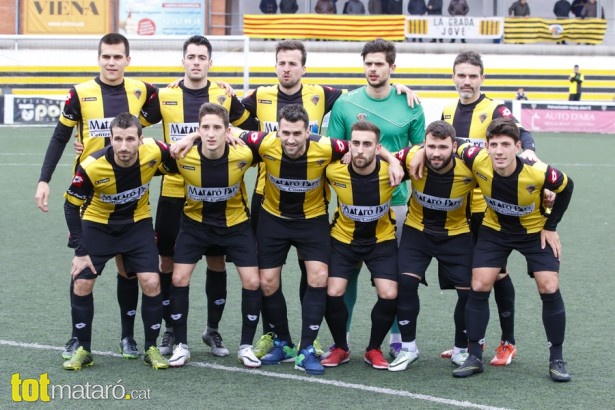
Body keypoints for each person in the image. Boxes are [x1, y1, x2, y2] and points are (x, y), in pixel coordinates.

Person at [241, 39, 417, 359]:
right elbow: (227, 115)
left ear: (303, 68)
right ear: (275, 64)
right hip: (271, 201)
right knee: (273, 277)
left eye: (293, 63)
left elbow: (413, 147)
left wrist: (394, 87)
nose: (287, 67)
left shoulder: (325, 94)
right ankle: (290, 337)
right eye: (282, 62)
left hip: (378, 203)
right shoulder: (259, 95)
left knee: (366, 278)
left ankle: (391, 340)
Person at [239, 104, 403, 376]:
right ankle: (283, 343)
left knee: (318, 278)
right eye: (285, 133)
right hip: (273, 220)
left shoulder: (328, 146)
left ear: (309, 132)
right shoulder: (265, 142)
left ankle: (306, 349)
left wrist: (393, 160)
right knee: (267, 282)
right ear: (277, 131)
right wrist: (191, 138)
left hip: (312, 221)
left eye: (297, 133)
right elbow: (228, 131)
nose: (290, 139)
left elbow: (365, 144)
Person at [34, 33, 159, 362]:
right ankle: (77, 338)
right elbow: (61, 135)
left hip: (130, 191)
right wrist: (44, 179)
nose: (112, 62)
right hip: (91, 193)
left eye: (118, 57)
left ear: (128, 60)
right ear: (98, 58)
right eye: (106, 56)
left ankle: (128, 336)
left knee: (128, 269)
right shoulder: (80, 93)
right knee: (82, 267)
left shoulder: (142, 90)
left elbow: (165, 107)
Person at [140, 35, 258, 358]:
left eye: (201, 57)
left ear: (210, 62)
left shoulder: (223, 93)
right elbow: (131, 124)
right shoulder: (164, 96)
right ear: (183, 61)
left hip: (217, 197)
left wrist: (235, 107)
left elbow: (255, 125)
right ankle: (171, 331)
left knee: (216, 261)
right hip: (175, 192)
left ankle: (213, 331)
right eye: (190, 56)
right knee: (169, 263)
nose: (195, 62)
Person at [452, 117, 574, 382]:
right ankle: (474, 356)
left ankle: (557, 359)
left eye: (505, 144)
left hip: (533, 233)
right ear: (485, 145)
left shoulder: (538, 170)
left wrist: (551, 226)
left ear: (517, 146)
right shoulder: (476, 158)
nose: (498, 150)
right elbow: (453, 142)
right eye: (493, 144)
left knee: (549, 285)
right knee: (480, 283)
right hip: (495, 231)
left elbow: (567, 186)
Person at [438, 51, 539, 367]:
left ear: (482, 78)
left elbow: (523, 134)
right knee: (468, 279)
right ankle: (467, 342)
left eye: (472, 75)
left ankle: (508, 342)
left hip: (488, 209)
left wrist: (531, 153)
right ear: (453, 77)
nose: (466, 81)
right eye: (461, 75)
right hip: (457, 209)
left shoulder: (495, 109)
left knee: (497, 274)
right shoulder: (446, 110)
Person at [327, 38, 425, 359]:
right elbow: (337, 152)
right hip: (351, 205)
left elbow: (420, 153)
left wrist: (396, 161)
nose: (373, 69)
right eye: (368, 63)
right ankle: (343, 341)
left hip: (395, 204)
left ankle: (396, 337)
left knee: (391, 276)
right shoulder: (345, 104)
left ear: (392, 68)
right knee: (346, 274)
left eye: (379, 64)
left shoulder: (410, 104)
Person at [62, 113, 171, 370]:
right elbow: (70, 206)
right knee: (83, 282)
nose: (124, 146)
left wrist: (196, 135)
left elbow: (179, 151)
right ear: (110, 139)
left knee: (152, 281)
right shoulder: (91, 165)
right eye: (118, 139)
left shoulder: (154, 151)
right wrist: (80, 251)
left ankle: (151, 348)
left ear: (140, 140)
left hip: (137, 225)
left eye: (130, 139)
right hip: (98, 225)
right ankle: (83, 348)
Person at [160, 103, 262, 368]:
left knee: (252, 281)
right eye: (205, 128)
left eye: (217, 127)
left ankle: (245, 346)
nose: (211, 133)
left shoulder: (244, 154)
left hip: (235, 225)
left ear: (227, 130)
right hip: (195, 226)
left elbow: (275, 140)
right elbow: (144, 150)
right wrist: (190, 138)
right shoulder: (183, 155)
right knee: (179, 277)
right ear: (198, 130)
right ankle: (181, 345)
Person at [388, 120, 476, 372]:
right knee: (405, 284)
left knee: (467, 293)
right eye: (431, 147)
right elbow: (380, 152)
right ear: (423, 145)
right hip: (418, 232)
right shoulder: (412, 156)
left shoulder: (469, 164)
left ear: (454, 146)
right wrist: (399, 159)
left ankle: (461, 350)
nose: (436, 153)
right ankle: (408, 348)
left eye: (442, 147)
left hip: (457, 234)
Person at [320, 121, 400, 370]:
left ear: (377, 148)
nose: (360, 150)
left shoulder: (392, 170)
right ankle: (341, 347)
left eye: (367, 144)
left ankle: (374, 349)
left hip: (382, 240)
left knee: (389, 293)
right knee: (332, 291)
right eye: (355, 143)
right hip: (343, 239)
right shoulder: (334, 170)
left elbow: (422, 151)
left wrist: (394, 160)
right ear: (349, 145)